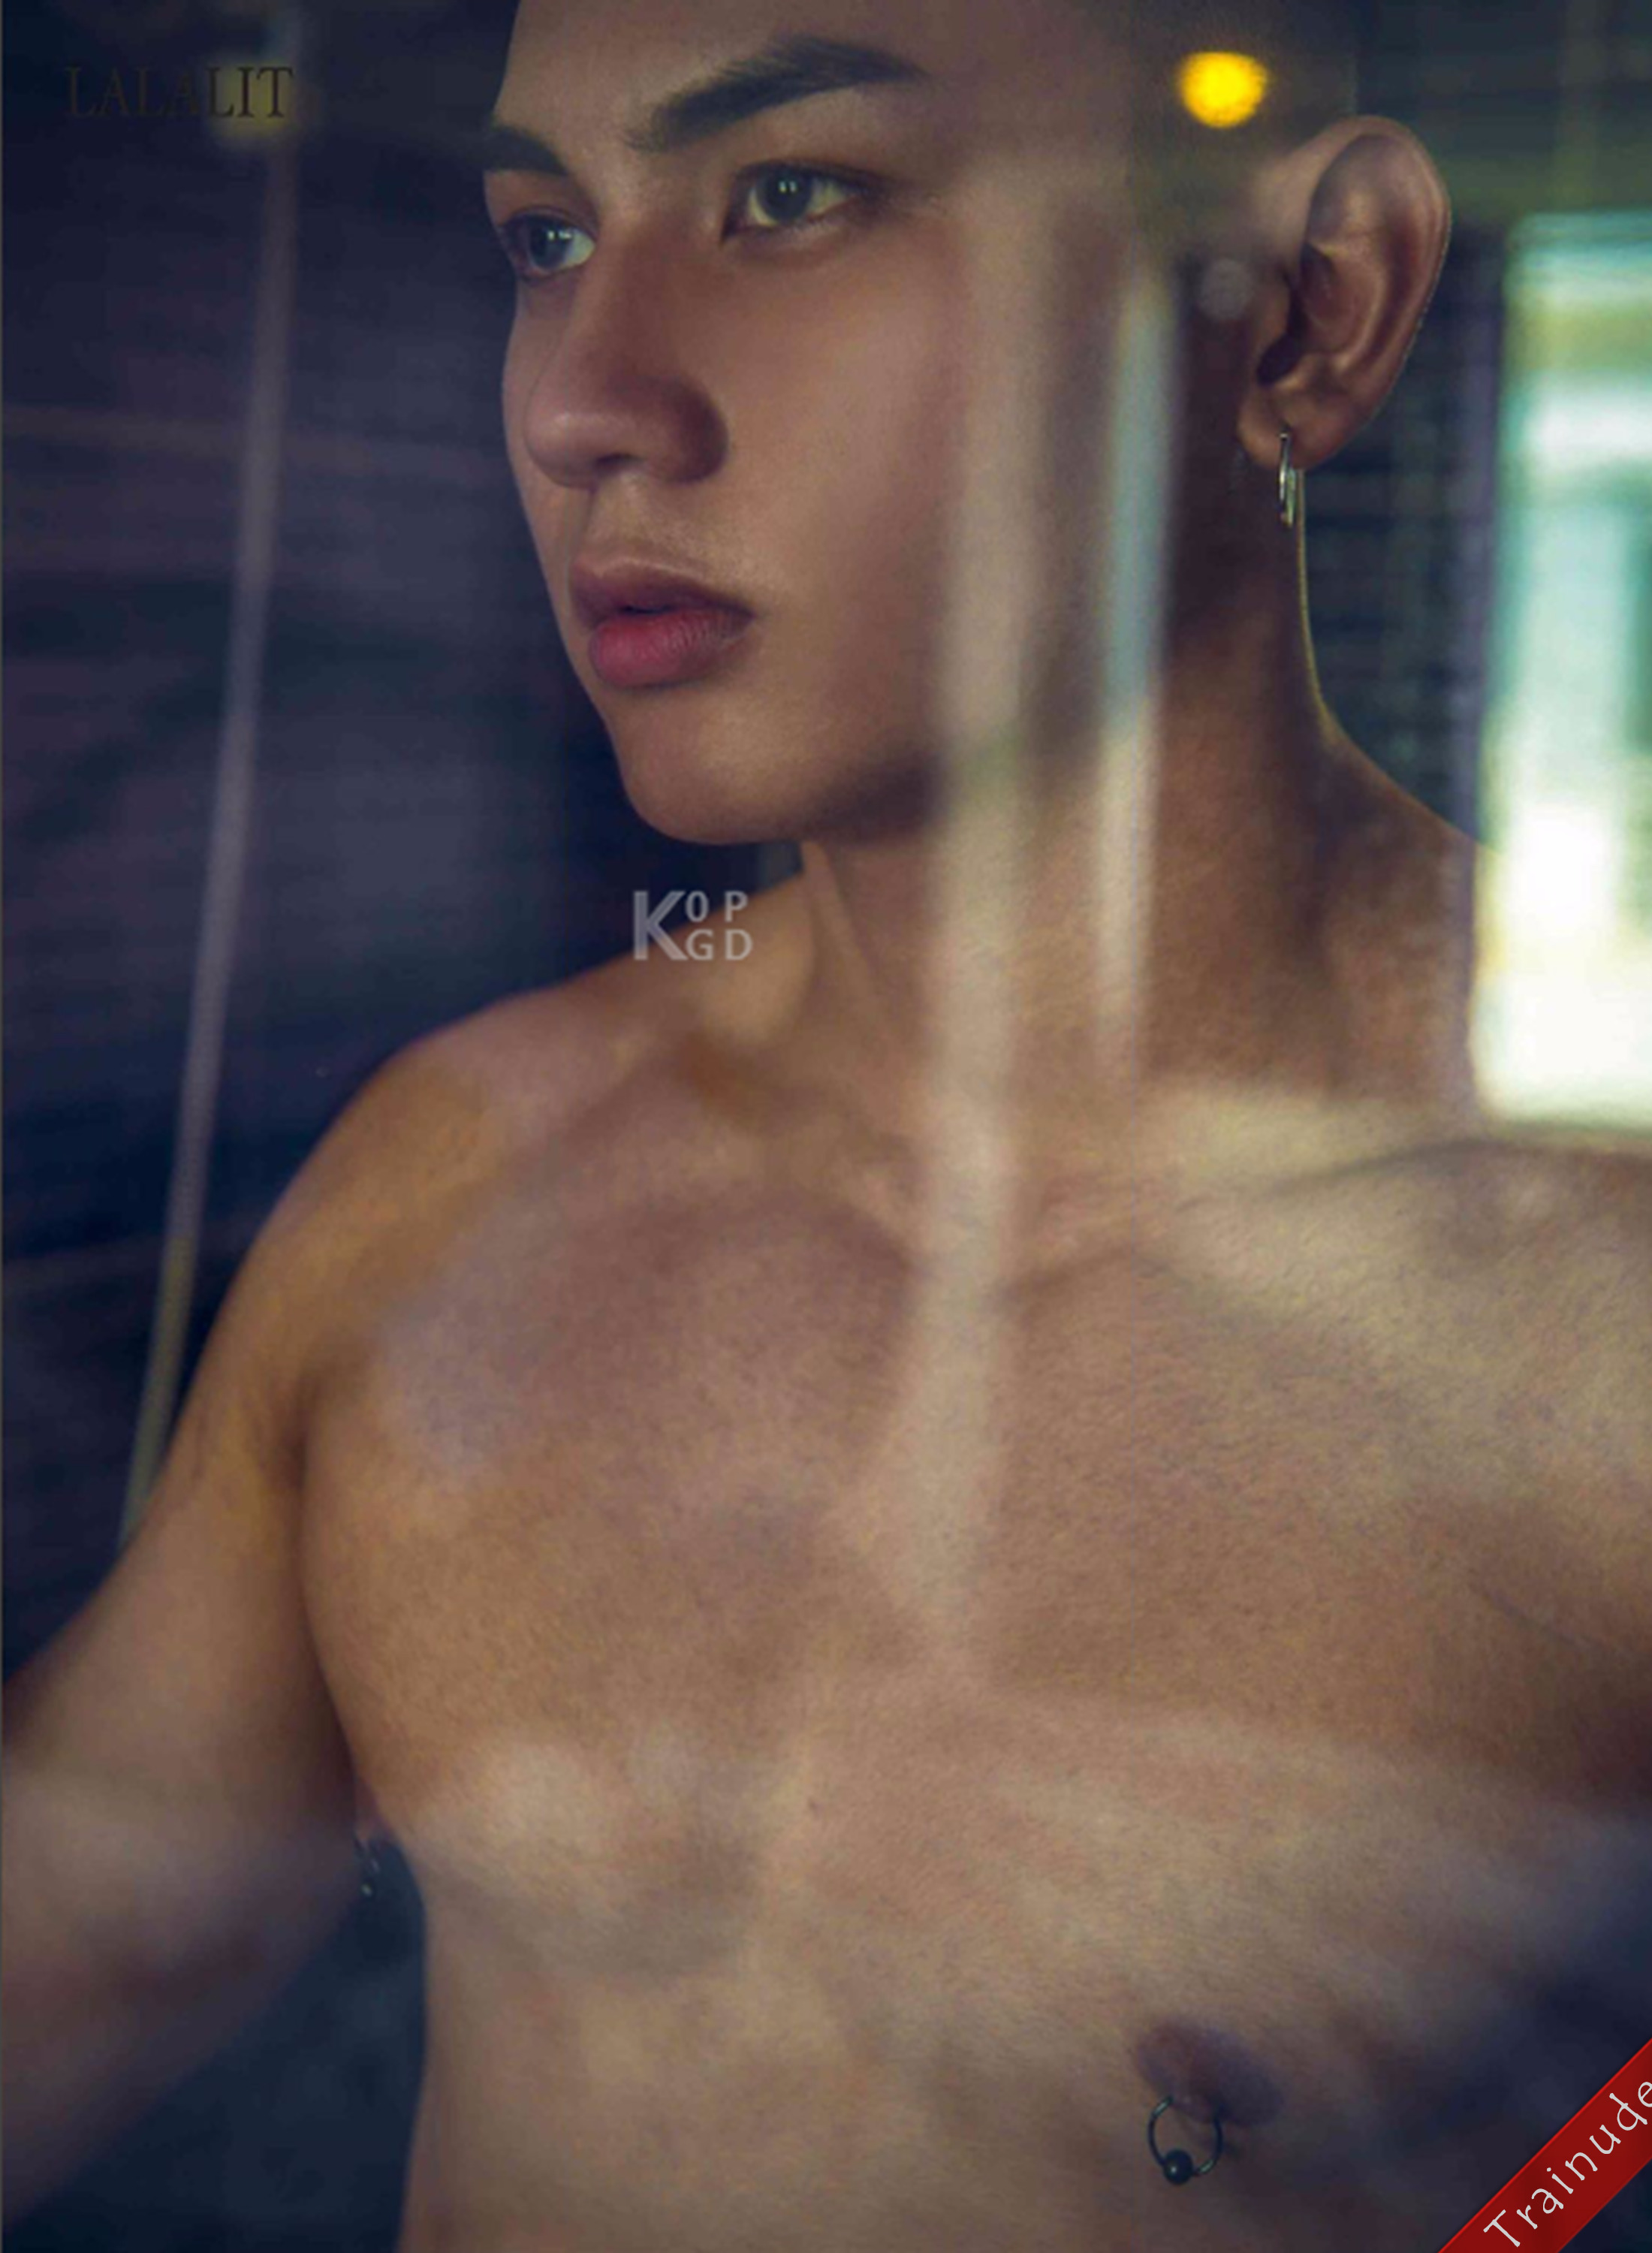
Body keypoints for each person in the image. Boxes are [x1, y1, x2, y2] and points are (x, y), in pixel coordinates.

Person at [6, 0, 1650, 2245]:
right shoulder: (460, 1172)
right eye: (546, 235)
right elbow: (69, 1947)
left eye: (793, 195)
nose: (586, 399)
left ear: (1309, 303)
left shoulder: (1598, 1307)